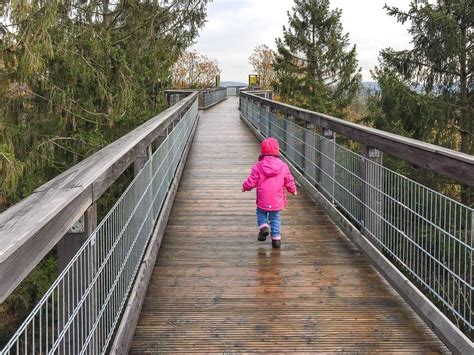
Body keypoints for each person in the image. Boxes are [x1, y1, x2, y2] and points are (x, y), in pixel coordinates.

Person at [241, 137, 297, 248]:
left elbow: (252, 181)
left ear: (263, 151)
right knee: (275, 218)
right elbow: (289, 180)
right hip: (277, 199)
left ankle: (264, 226)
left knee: (261, 213)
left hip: (263, 198)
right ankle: (276, 239)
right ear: (277, 151)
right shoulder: (283, 166)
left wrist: (245, 187)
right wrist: (293, 190)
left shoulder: (258, 166)